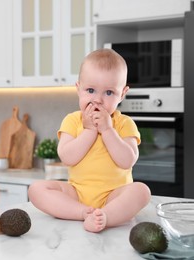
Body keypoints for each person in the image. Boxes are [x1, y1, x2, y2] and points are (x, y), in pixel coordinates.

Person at [28, 49, 151, 233]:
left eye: (109, 92)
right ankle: (83, 212)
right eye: (90, 90)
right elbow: (67, 158)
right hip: (77, 193)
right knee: (36, 189)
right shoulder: (72, 120)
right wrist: (89, 130)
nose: (98, 100)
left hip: (114, 195)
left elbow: (127, 161)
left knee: (142, 191)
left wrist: (107, 130)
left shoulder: (124, 123)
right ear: (78, 88)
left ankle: (107, 215)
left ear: (123, 94)